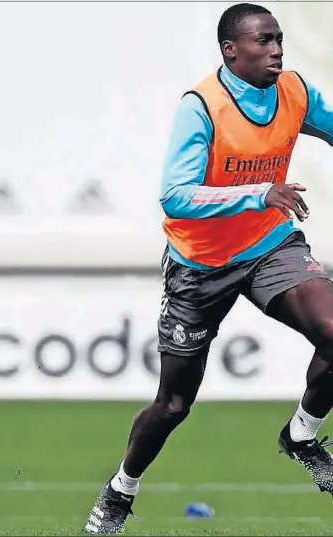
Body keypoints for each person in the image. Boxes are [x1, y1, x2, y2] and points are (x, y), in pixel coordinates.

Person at [84, 3, 333, 534]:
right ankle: (120, 491)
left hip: (270, 246)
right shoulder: (202, 106)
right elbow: (175, 196)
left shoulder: (295, 92)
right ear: (230, 49)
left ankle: (302, 437)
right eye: (263, 41)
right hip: (200, 267)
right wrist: (259, 191)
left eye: (279, 40)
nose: (276, 50)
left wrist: (265, 204)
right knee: (173, 404)